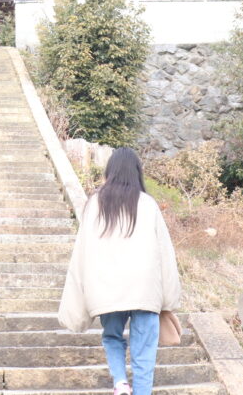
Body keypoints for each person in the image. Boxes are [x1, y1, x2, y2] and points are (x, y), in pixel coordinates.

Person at [58, 147, 181, 395]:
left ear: (109, 171)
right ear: (137, 172)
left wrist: (82, 291)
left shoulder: (95, 204)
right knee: (144, 349)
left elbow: (83, 251)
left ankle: (120, 383)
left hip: (106, 286)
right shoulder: (147, 204)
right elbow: (165, 253)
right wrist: (169, 297)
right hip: (145, 288)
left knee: (112, 336)